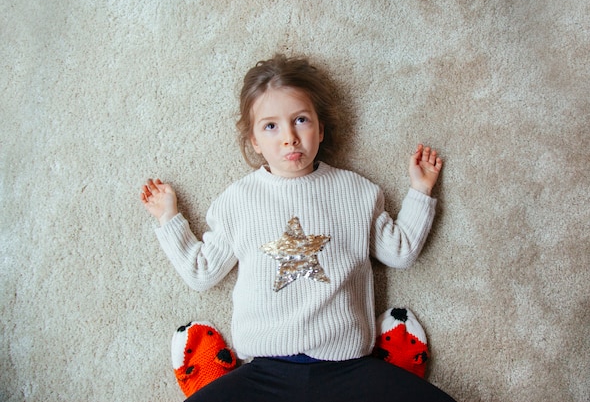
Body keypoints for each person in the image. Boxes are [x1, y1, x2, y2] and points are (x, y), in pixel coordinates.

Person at [140, 54, 455, 402]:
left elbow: (401, 251)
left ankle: (392, 362)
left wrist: (421, 191)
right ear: (255, 141)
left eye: (300, 120)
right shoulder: (237, 201)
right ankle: (213, 374)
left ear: (320, 128)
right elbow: (202, 272)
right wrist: (169, 219)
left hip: (347, 366)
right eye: (270, 126)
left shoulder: (356, 191)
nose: (289, 138)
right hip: (263, 371)